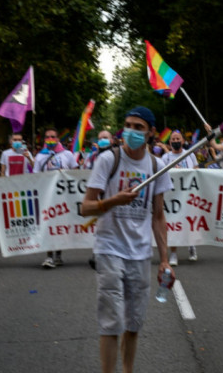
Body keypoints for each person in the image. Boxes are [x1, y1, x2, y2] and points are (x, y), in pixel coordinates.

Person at [81, 106, 175, 373]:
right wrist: (113, 200)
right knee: (111, 324)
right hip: (109, 249)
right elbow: (85, 207)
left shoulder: (157, 167)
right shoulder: (108, 160)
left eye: (138, 127)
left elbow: (158, 217)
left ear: (151, 133)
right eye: (128, 126)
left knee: (134, 324)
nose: (131, 132)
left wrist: (165, 261)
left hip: (140, 254)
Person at [34, 128, 78, 269]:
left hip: (63, 196)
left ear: (58, 139)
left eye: (53, 136)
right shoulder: (40, 157)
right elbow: (35, 176)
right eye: (47, 137)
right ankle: (49, 256)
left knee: (59, 226)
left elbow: (76, 173)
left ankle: (58, 254)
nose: (50, 139)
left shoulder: (67, 155)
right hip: (46, 196)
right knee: (47, 226)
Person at [161, 130, 199, 265]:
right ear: (170, 142)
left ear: (183, 141)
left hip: (188, 195)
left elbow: (196, 172)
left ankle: (191, 247)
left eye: (178, 139)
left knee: (190, 221)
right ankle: (173, 254)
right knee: (173, 224)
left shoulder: (190, 155)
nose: (175, 141)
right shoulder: (165, 158)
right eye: (173, 139)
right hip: (173, 196)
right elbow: (162, 174)